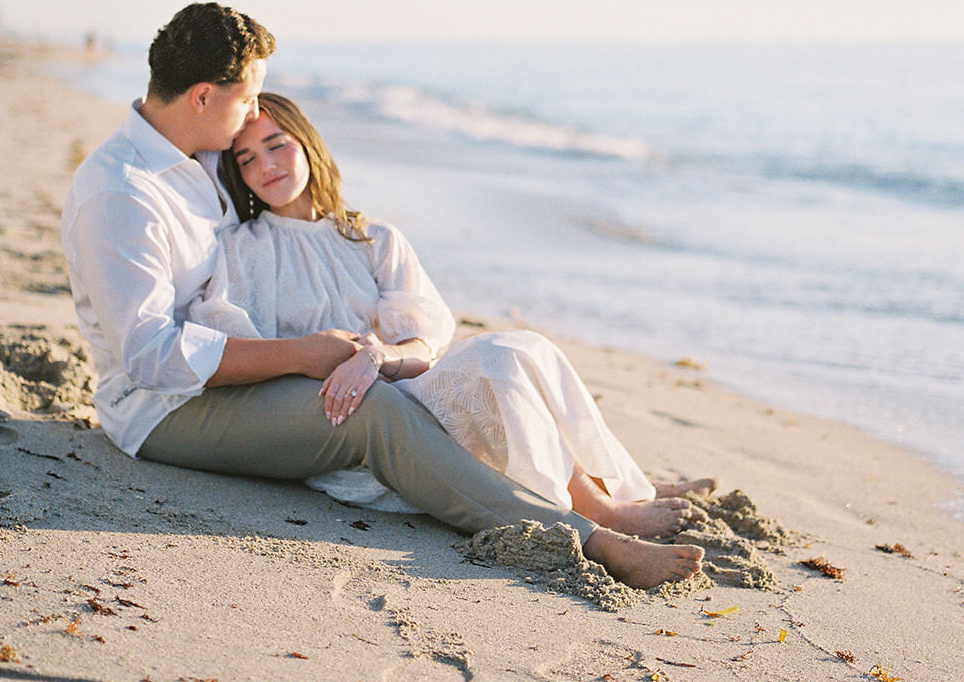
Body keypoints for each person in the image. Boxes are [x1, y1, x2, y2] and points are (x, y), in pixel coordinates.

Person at [61, 2, 704, 590]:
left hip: (230, 375)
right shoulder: (124, 193)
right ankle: (579, 538)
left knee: (487, 365)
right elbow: (148, 356)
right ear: (203, 96)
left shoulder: (198, 161)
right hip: (163, 409)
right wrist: (302, 353)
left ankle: (604, 488)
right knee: (372, 413)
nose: (251, 126)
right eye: (249, 96)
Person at [189, 91, 714, 540]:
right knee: (497, 364)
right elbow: (237, 353)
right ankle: (600, 510)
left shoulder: (372, 238)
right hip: (355, 431)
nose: (267, 167)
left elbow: (425, 349)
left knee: (520, 348)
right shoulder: (242, 251)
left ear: (307, 143)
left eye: (276, 145)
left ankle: (615, 485)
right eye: (247, 160)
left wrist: (377, 355)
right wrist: (319, 359)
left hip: (408, 390)